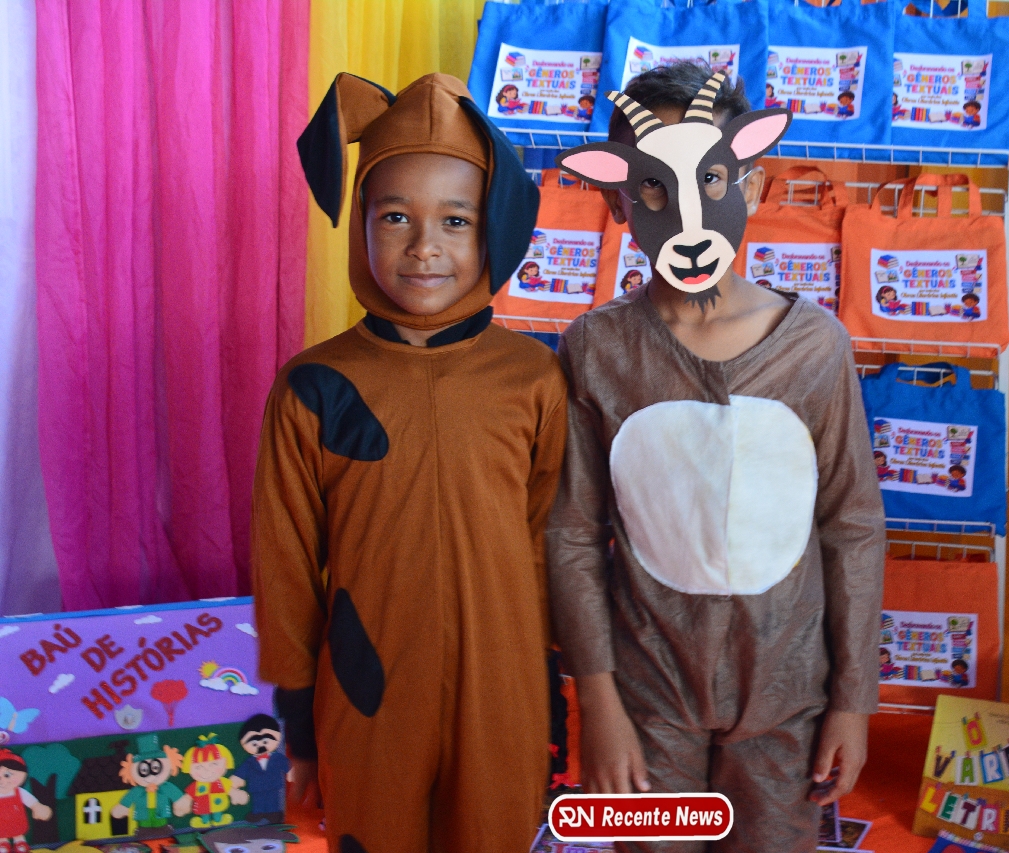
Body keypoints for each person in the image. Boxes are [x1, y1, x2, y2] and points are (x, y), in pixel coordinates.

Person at [549, 61, 885, 852]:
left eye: (707, 179)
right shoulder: (596, 349)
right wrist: (598, 703)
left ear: (750, 185)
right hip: (647, 697)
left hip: (788, 701)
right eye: (653, 188)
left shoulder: (815, 348)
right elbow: (572, 533)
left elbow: (852, 526)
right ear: (618, 199)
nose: (684, 212)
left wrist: (852, 700)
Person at [253, 72, 565, 853]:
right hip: (367, 695)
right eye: (395, 216)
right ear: (359, 220)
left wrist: (556, 686)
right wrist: (297, 712)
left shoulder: (533, 378)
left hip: (503, 693)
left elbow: (550, 541)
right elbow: (286, 564)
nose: (425, 247)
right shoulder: (313, 385)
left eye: (456, 220)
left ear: (493, 229)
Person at [232, 715, 290, 825]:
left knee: (273, 800)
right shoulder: (249, 762)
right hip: (256, 787)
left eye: (265, 742)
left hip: (273, 785)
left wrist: (291, 772)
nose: (261, 746)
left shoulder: (277, 758)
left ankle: (273, 813)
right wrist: (237, 779)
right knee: (258, 800)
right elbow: (242, 771)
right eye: (254, 744)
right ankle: (257, 813)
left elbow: (285, 765)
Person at [0, 750, 52, 853]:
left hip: (17, 821)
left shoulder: (19, 792)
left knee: (18, 834)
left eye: (7, 775)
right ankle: (3, 843)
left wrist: (37, 807)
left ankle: (20, 842)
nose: (3, 780)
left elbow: (31, 801)